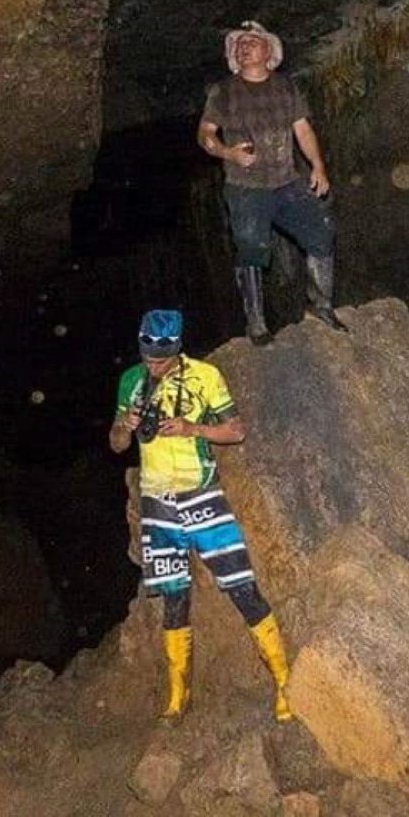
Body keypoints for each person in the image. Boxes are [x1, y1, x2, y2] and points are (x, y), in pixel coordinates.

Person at [108, 308, 292, 722]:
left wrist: (192, 429)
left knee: (241, 586)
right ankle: (178, 696)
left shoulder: (205, 377)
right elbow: (118, 444)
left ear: (177, 349)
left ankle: (283, 681)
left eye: (161, 358)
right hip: (157, 502)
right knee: (174, 596)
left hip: (202, 495)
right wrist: (126, 424)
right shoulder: (131, 382)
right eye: (148, 357)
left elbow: (236, 430)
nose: (153, 365)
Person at [197, 20, 344, 345]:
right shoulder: (224, 92)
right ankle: (257, 322)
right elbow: (205, 134)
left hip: (287, 182)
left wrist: (318, 165)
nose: (243, 46)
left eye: (251, 41)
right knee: (252, 246)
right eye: (239, 44)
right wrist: (228, 152)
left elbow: (303, 130)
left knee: (321, 231)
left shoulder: (286, 87)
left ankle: (320, 305)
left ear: (269, 51)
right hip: (245, 187)